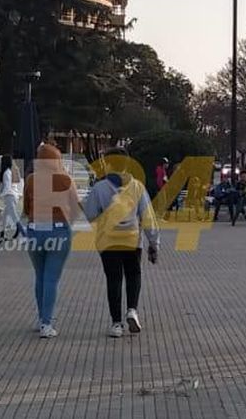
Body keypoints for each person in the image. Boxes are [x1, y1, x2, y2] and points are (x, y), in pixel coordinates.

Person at [82, 149, 161, 338]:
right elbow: (148, 217)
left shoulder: (100, 188)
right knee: (134, 274)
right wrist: (154, 243)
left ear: (109, 164)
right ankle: (132, 310)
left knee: (114, 279)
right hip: (132, 240)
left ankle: (116, 324)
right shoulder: (137, 187)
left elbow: (89, 214)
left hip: (108, 242)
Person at [23, 142, 83, 338]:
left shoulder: (31, 179)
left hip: (34, 230)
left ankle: (42, 319)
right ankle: (47, 324)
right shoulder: (65, 179)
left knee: (39, 276)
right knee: (51, 278)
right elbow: (75, 208)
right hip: (58, 230)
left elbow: (25, 207)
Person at [0, 155, 23, 241]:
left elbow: (7, 187)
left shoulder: (7, 172)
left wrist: (0, 196)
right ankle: (2, 233)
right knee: (5, 216)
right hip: (12, 195)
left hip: (9, 196)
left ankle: (22, 232)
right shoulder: (11, 171)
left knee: (13, 216)